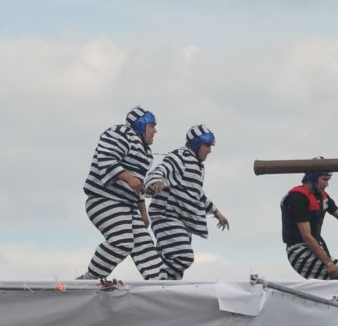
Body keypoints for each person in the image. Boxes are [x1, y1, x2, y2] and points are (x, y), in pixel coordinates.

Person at [82, 106, 166, 281]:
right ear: (141, 125)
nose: (155, 131)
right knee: (122, 241)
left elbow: (138, 185)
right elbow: (106, 158)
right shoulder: (120, 133)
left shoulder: (145, 153)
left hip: (126, 206)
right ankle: (90, 278)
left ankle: (159, 284)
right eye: (152, 126)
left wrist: (143, 213)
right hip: (103, 199)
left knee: (145, 247)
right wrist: (129, 178)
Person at [146, 124, 229, 279]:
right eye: (207, 146)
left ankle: (166, 291)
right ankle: (158, 280)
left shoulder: (198, 167)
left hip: (182, 221)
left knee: (172, 261)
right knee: (184, 257)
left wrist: (217, 213)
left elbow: (198, 195)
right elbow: (160, 170)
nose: (210, 151)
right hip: (166, 216)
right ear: (196, 144)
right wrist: (156, 182)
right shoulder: (180, 157)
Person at [281, 169, 338, 280]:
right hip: (299, 251)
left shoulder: (322, 197)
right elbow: (306, 236)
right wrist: (328, 263)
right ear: (312, 178)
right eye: (324, 180)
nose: (327, 184)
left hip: (314, 247)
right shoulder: (298, 198)